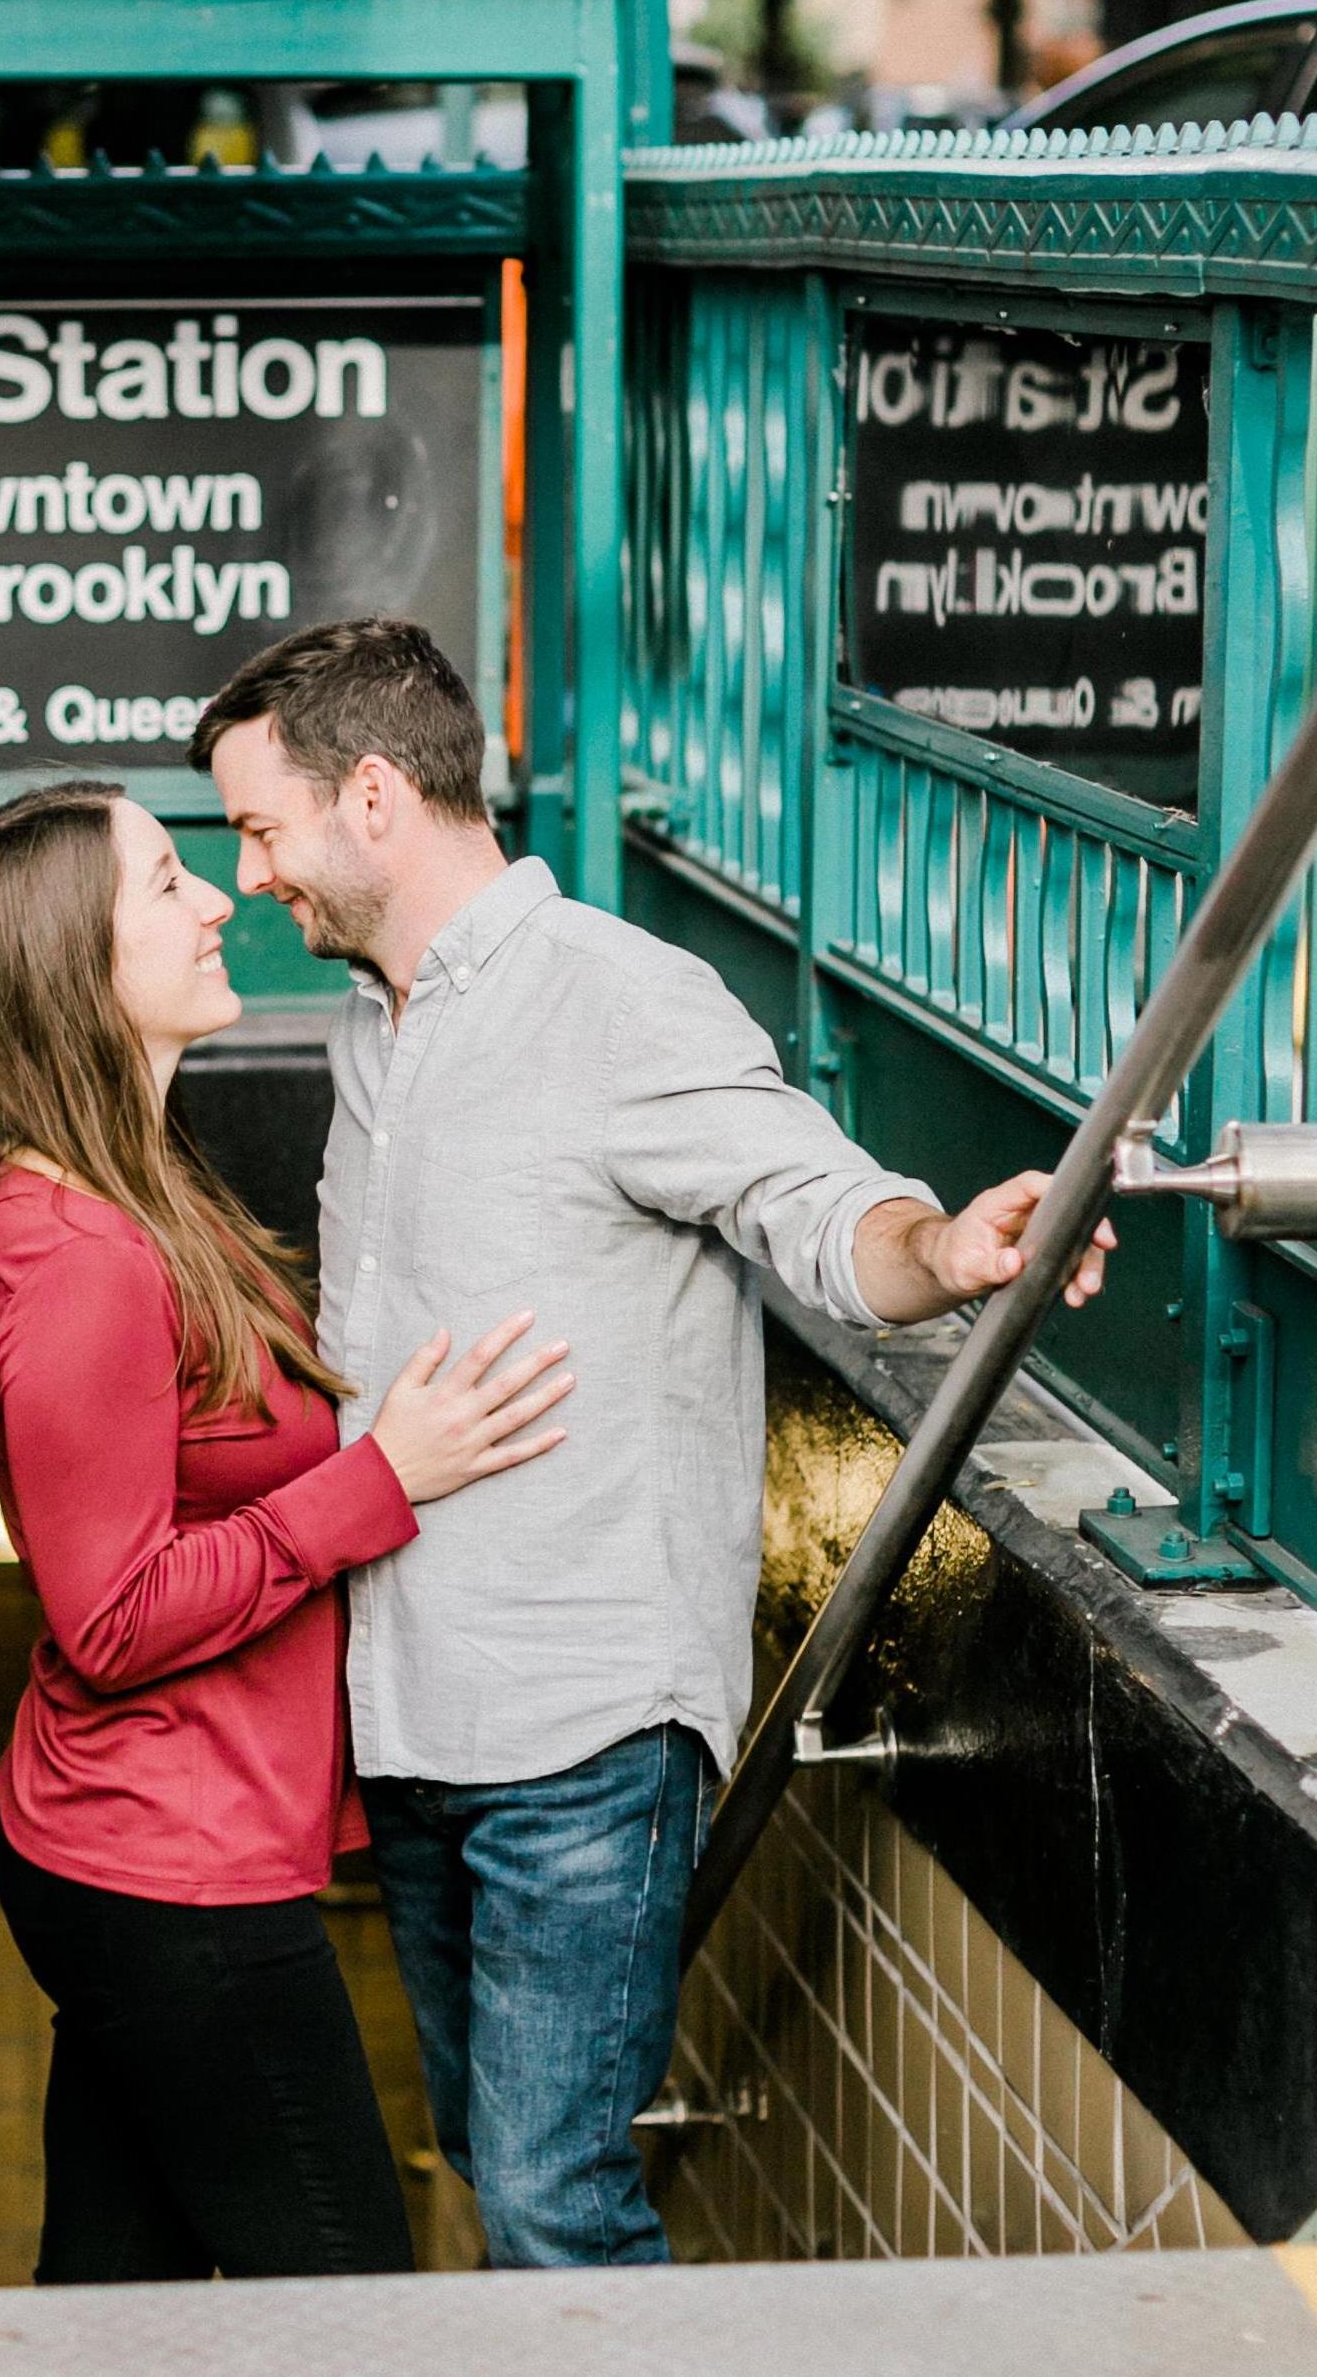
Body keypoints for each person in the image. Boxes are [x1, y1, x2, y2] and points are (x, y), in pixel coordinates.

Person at [191, 618, 1115, 2270]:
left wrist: (947, 1248)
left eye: (261, 826)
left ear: (376, 795)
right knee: (486, 2156)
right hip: (412, 1712)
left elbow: (822, 1209)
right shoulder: (372, 1026)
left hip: (579, 1724)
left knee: (556, 2202)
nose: (249, 872)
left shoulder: (619, 1000)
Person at [0, 780, 575, 2283]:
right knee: (345, 2311)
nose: (218, 897)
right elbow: (112, 1615)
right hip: (168, 1878)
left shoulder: (140, 1191)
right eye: (164, 885)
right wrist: (379, 1477)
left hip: (151, 1851)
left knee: (118, 2301)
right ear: (71, 967)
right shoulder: (81, 1256)